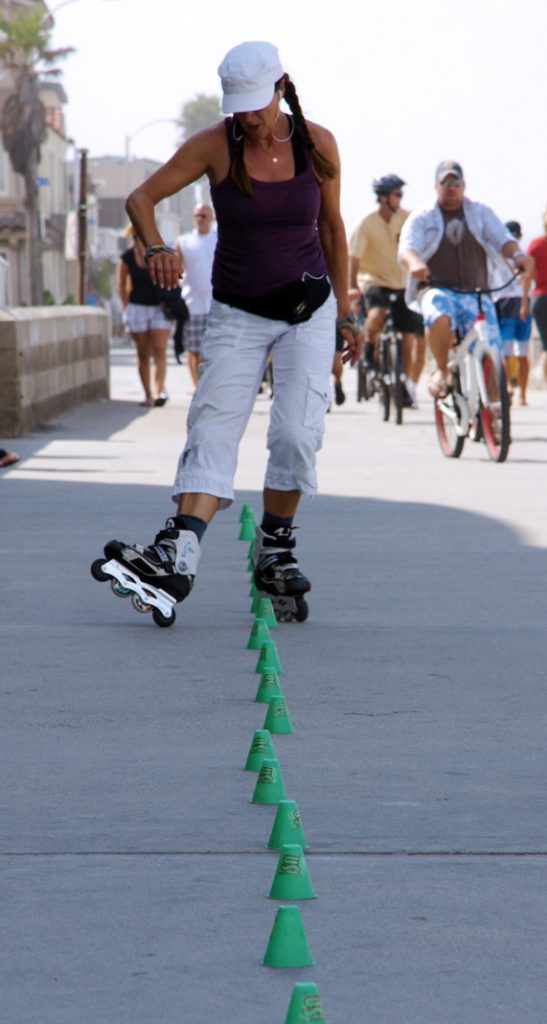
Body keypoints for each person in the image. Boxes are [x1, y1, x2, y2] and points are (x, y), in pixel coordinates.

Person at [96, 40, 360, 623]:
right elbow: (142, 198)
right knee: (212, 427)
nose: (248, 117)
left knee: (296, 432)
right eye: (238, 107)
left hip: (308, 311)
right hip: (238, 313)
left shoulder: (318, 144)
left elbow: (333, 230)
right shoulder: (216, 144)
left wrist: (345, 313)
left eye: (257, 106)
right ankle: (180, 548)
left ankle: (276, 547)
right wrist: (157, 243)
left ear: (282, 88)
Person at [399, 161, 534, 397]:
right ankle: (442, 371)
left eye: (455, 182)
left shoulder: (480, 212)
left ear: (464, 185)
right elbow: (408, 248)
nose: (451, 187)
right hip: (436, 288)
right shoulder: (422, 216)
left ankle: (494, 411)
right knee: (438, 314)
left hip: (476, 292)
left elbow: (502, 239)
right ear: (436, 186)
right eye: (445, 182)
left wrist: (518, 256)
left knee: (492, 351)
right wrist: (415, 263)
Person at [349, 174, 425, 407]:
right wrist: (352, 287)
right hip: (373, 281)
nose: (400, 199)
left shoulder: (408, 218)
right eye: (397, 194)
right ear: (383, 197)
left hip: (402, 283)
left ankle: (401, 382)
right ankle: (370, 350)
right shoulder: (367, 222)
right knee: (376, 315)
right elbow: (354, 257)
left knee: (408, 337)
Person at [117, 226, 172, 406]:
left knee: (160, 350)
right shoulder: (127, 257)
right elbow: (121, 285)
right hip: (137, 307)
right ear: (133, 235)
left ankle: (158, 391)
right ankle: (147, 394)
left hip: (159, 307)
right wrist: (126, 308)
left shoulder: (158, 253)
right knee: (143, 354)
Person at [174, 203, 217, 387]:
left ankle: (211, 385)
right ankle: (196, 386)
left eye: (204, 216)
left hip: (217, 303)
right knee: (194, 349)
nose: (201, 219)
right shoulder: (184, 242)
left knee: (215, 350)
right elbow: (175, 268)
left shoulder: (219, 239)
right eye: (198, 215)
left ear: (211, 217)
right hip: (193, 304)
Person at [492, 221, 533, 406]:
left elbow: (528, 280)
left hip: (520, 302)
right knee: (506, 352)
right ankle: (507, 387)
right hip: (504, 303)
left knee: (522, 353)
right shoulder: (496, 257)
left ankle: (523, 393)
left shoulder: (522, 256)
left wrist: (524, 302)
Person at [527, 209, 547, 387]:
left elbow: (529, 275)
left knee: (546, 346)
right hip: (541, 298)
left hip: (541, 298)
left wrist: (523, 303)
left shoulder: (536, 244)